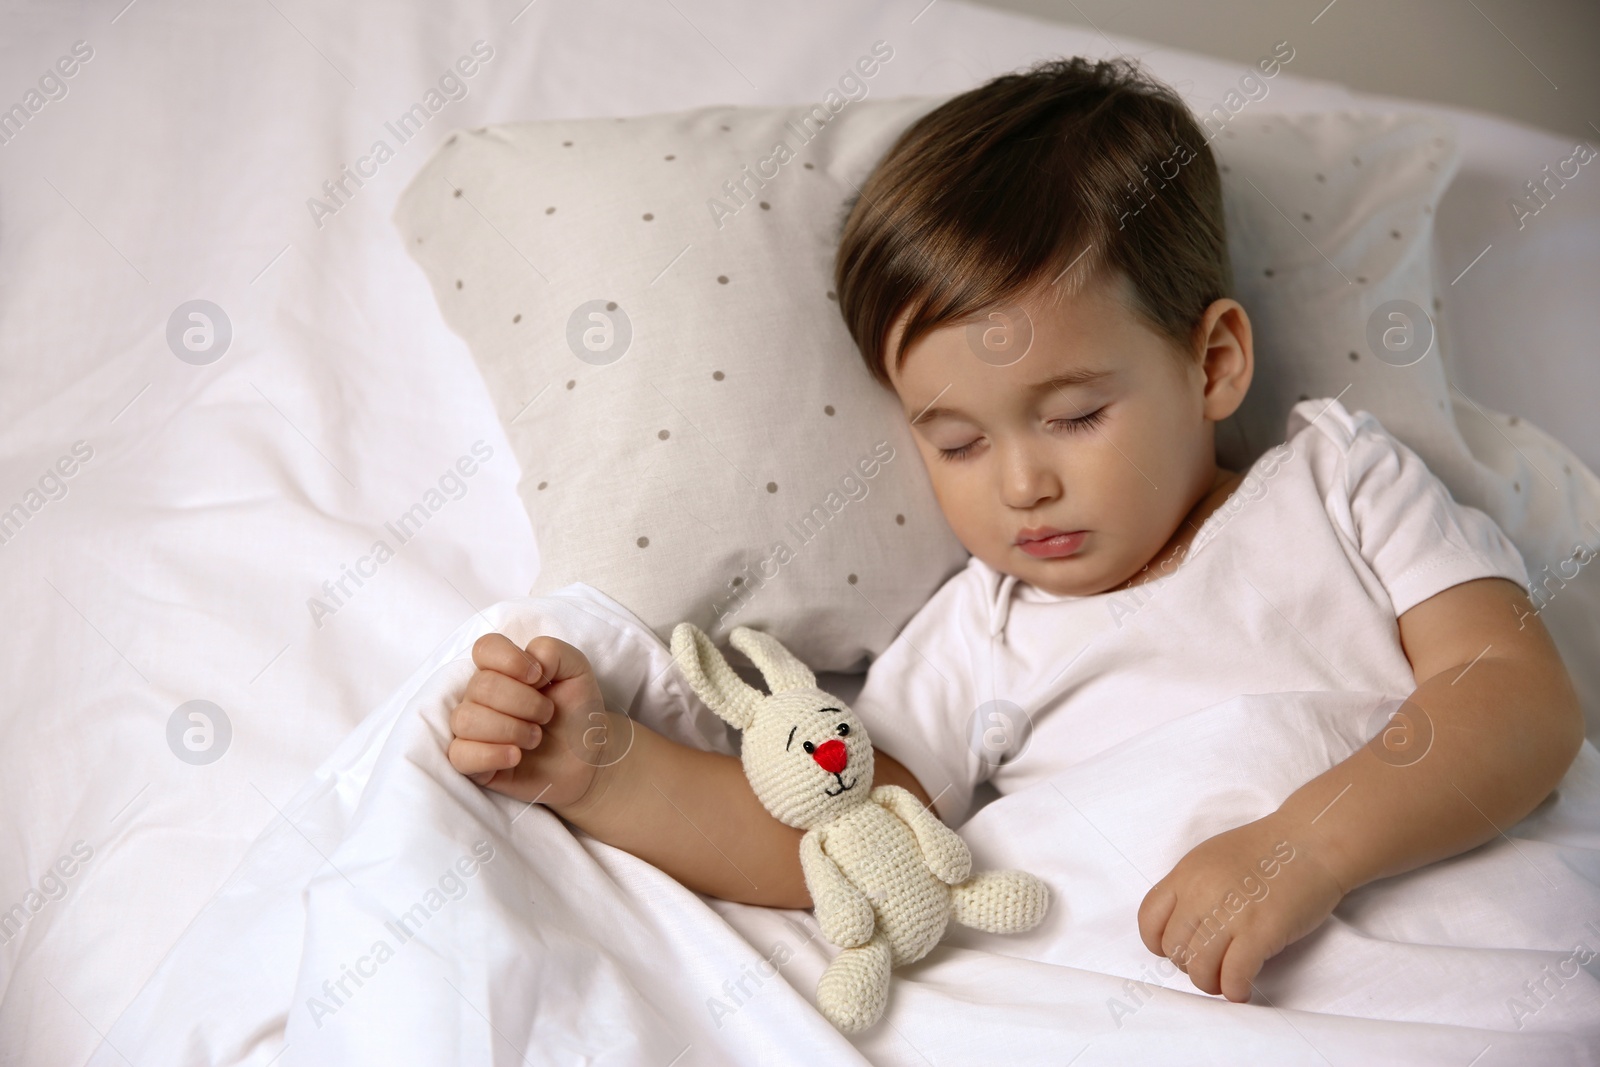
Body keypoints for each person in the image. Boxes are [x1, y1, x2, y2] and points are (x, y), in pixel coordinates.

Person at [444, 57, 1584, 1005]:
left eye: (1076, 414)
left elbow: (1514, 698)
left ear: (1213, 361)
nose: (1023, 483)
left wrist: (1311, 843)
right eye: (956, 442)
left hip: (1464, 964)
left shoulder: (1340, 482)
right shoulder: (978, 635)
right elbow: (840, 834)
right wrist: (600, 768)